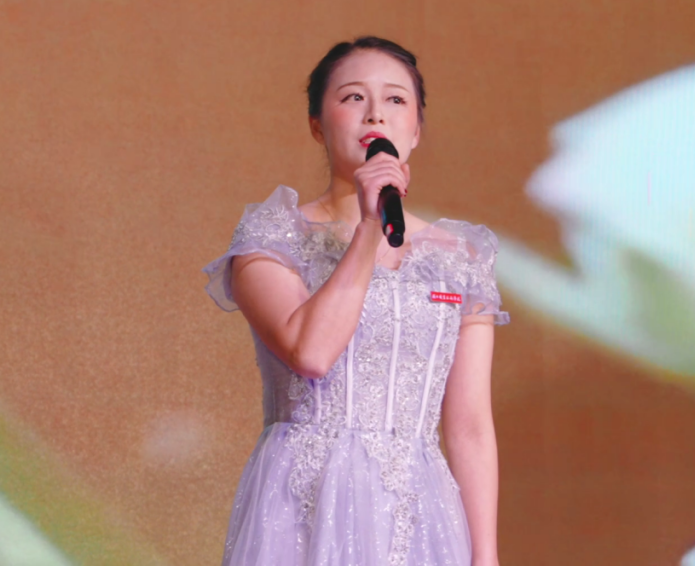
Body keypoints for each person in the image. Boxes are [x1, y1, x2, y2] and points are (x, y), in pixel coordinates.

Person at [204, 36, 508, 566]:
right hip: (302, 505)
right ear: (317, 125)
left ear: (416, 130)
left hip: (419, 514)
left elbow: (470, 427)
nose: (375, 114)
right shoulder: (272, 235)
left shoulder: (459, 259)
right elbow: (310, 352)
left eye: (395, 100)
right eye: (352, 98)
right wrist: (370, 226)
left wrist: (485, 558)